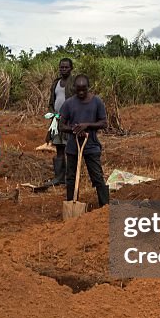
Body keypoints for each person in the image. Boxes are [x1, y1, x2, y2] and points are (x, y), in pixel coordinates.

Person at [58, 75, 109, 208]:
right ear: (74, 88)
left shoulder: (97, 102)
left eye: (84, 90)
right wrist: (74, 130)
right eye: (78, 90)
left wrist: (87, 125)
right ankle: (71, 204)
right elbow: (61, 126)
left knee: (97, 176)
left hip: (91, 145)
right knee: (71, 178)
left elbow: (103, 123)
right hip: (73, 146)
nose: (81, 92)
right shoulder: (69, 103)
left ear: (88, 88)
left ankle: (105, 206)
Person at [42, 58, 75, 187]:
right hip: (57, 121)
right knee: (59, 148)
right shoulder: (56, 83)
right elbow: (52, 102)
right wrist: (53, 114)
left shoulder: (74, 82)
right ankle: (59, 177)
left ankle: (70, 177)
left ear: (71, 68)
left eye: (66, 67)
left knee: (70, 149)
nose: (63, 69)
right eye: (61, 67)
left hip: (70, 121)